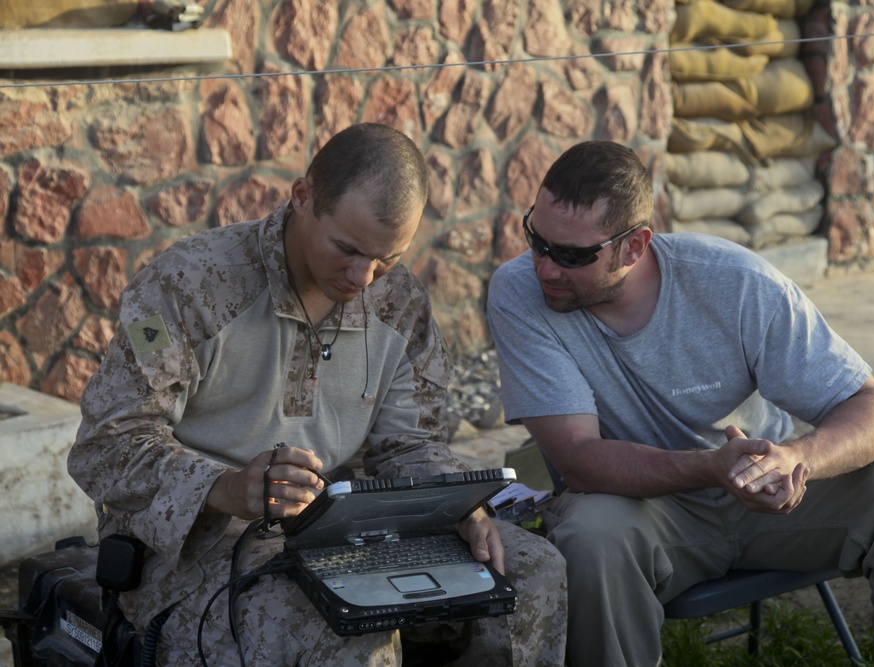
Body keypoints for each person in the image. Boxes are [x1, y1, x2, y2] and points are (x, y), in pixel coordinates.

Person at [68, 123, 566, 666]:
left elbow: (407, 444)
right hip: (200, 546)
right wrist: (227, 487)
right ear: (301, 197)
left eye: (388, 258)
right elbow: (106, 446)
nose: (364, 276)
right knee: (346, 621)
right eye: (347, 248)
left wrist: (455, 503)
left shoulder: (398, 303)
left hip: (352, 526)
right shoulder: (190, 286)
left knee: (530, 570)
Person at [486, 140, 874, 667]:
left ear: (635, 246)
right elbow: (578, 458)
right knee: (589, 536)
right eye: (536, 239)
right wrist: (712, 468)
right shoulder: (519, 292)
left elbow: (873, 410)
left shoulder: (733, 280)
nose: (545, 268)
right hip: (646, 509)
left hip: (772, 490)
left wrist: (795, 459)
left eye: (573, 255)